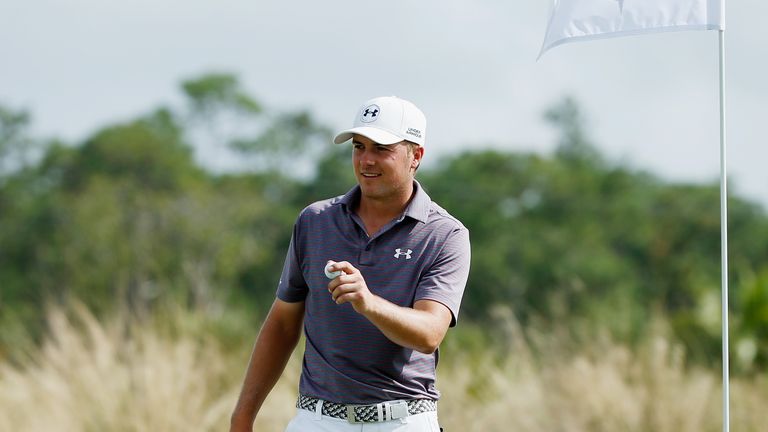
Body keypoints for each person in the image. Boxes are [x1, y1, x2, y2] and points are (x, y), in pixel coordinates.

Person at [230, 96, 471, 432]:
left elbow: (429, 334)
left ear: (415, 156)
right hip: (316, 420)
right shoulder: (315, 221)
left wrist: (367, 302)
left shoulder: (445, 234)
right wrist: (243, 417)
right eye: (359, 147)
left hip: (402, 421)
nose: (366, 160)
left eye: (381, 148)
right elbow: (283, 324)